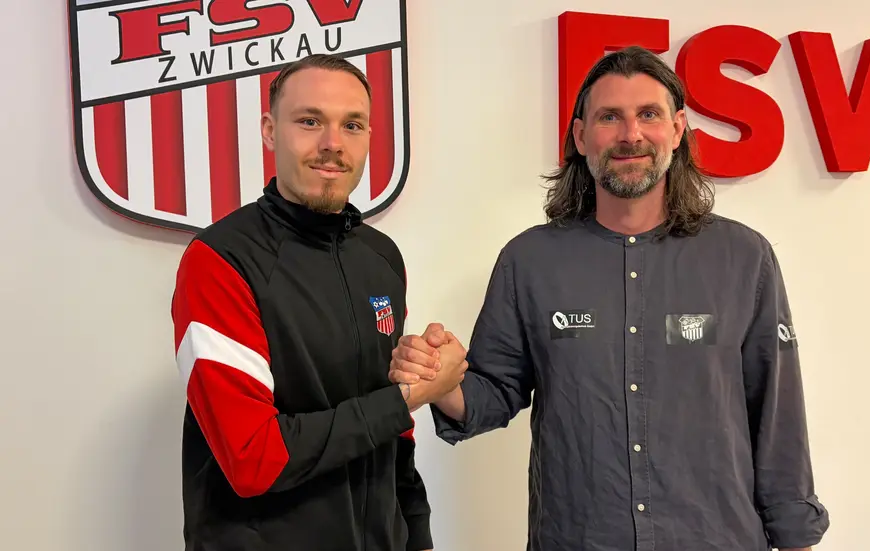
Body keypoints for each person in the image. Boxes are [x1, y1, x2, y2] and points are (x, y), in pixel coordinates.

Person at [389, 46, 830, 551]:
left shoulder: (743, 257)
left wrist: (796, 537)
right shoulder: (529, 260)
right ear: (580, 136)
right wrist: (439, 379)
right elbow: (495, 392)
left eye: (649, 114)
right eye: (609, 117)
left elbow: (777, 413)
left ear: (679, 128)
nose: (630, 135)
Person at [169, 54, 466, 551]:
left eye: (352, 124)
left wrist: (418, 536)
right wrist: (407, 397)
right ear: (269, 130)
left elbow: (396, 440)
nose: (332, 144)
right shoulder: (220, 260)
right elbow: (252, 458)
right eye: (310, 121)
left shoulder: (382, 257)